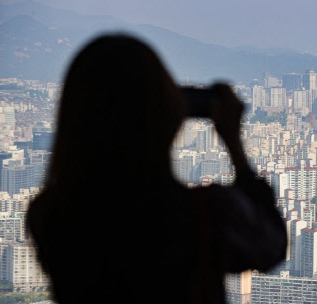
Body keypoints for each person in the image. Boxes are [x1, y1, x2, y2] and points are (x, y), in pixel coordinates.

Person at [26, 33, 287, 303]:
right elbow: (270, 246)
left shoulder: (49, 215)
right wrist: (234, 144)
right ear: (165, 119)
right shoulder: (201, 215)